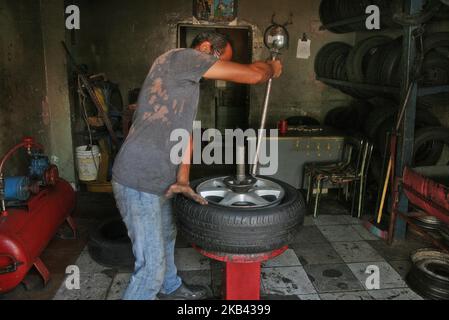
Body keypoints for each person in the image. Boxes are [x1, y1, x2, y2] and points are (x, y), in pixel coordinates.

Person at [112, 31, 282, 300]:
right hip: (138, 179)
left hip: (161, 180)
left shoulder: (186, 83)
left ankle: (171, 287)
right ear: (205, 47)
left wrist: (182, 179)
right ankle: (156, 285)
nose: (217, 68)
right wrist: (271, 67)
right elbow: (253, 75)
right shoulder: (182, 57)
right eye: (220, 60)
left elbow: (185, 136)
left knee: (167, 237)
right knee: (150, 270)